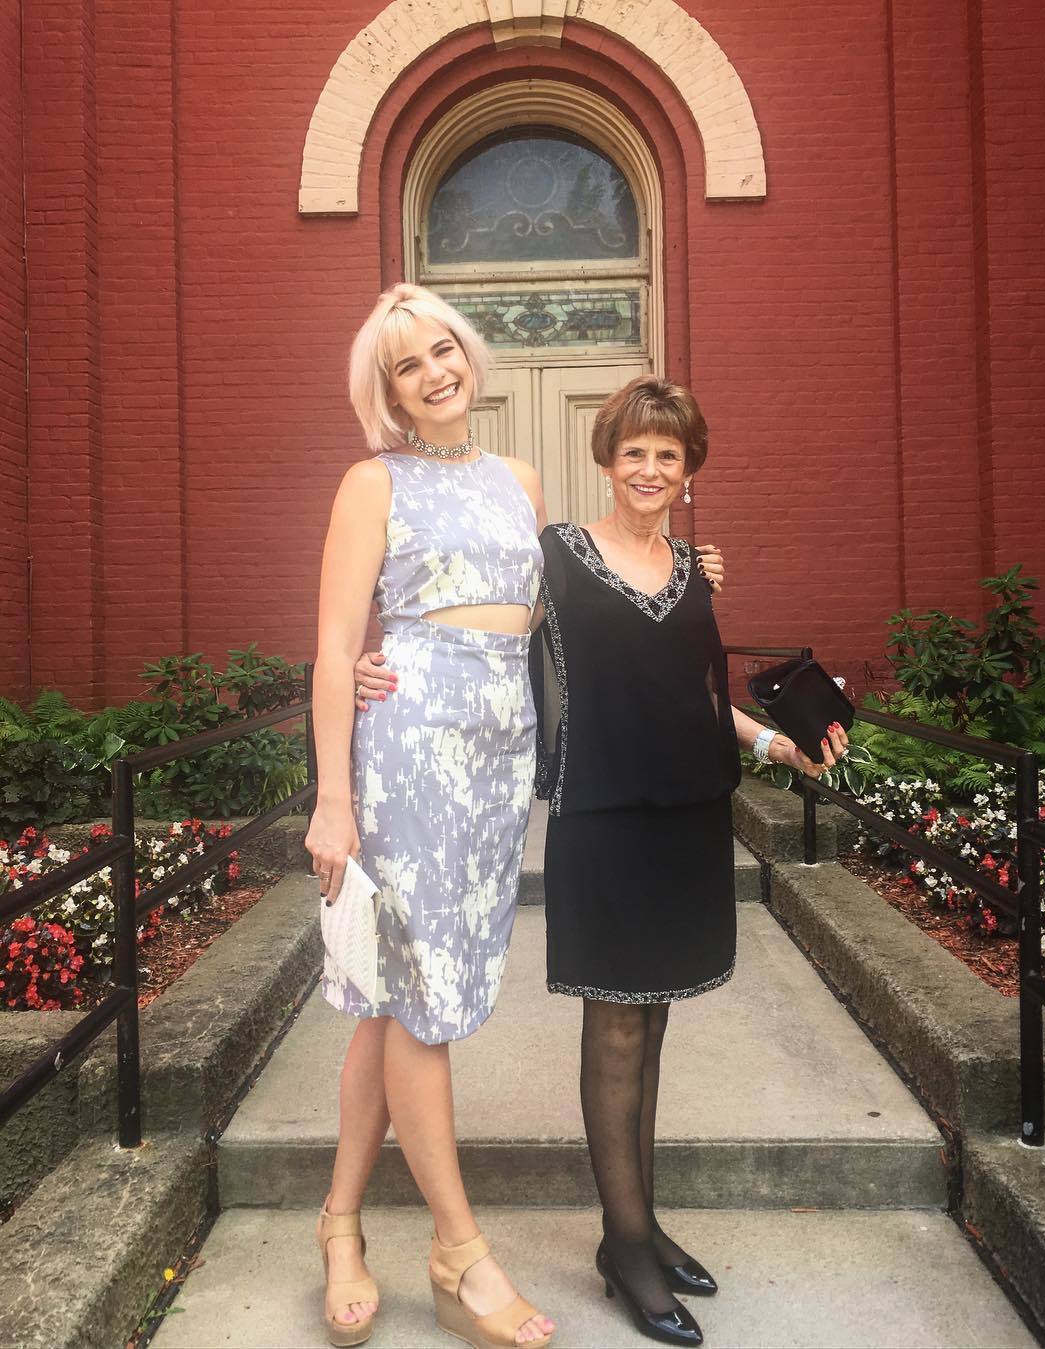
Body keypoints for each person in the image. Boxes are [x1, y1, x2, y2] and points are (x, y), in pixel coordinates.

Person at [529, 375, 848, 1346]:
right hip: (603, 817)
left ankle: (642, 1223)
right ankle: (624, 1246)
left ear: (688, 470)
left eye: (667, 454)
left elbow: (702, 696)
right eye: (634, 451)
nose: (650, 468)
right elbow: (483, 645)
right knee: (616, 1024)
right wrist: (373, 667)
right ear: (607, 459)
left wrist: (776, 742)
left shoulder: (694, 572)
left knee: (654, 1019)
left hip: (685, 819)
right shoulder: (556, 556)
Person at [304, 283, 556, 1349]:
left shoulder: (520, 478)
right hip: (408, 751)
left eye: (442, 348)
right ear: (390, 392)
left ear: (469, 354)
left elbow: (547, 620)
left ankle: (341, 1224)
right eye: (407, 365)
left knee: (390, 999)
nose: (434, 371)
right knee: (419, 1001)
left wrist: (687, 566)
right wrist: (333, 798)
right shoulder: (372, 482)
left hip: (498, 758)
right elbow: (334, 647)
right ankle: (459, 1249)